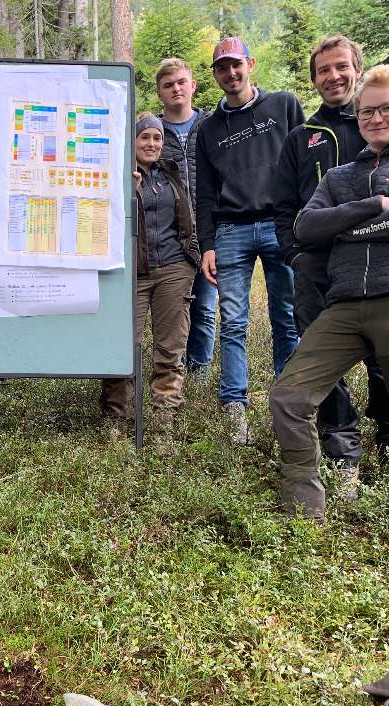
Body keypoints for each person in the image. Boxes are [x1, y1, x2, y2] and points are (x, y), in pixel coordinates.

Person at [269, 65, 389, 549]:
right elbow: (306, 229)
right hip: (345, 303)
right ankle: (304, 514)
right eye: (366, 110)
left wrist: (344, 229)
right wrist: (373, 207)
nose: (374, 117)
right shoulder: (338, 175)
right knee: (289, 396)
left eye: (385, 108)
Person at [274, 35, 389, 492]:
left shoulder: (382, 127)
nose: (333, 76)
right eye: (323, 70)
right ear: (314, 79)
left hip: (378, 269)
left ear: (357, 70)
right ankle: (343, 452)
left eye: (341, 67)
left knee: (386, 361)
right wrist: (296, 256)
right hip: (317, 273)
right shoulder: (302, 139)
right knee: (324, 367)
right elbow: (283, 208)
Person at [195, 37, 305, 444]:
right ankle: (234, 407)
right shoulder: (208, 130)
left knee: (287, 319)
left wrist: (305, 221)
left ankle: (288, 402)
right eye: (222, 68)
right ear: (215, 74)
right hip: (231, 231)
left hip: (282, 225)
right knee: (233, 322)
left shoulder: (284, 106)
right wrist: (207, 244)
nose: (231, 73)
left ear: (250, 64)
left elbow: (306, 163)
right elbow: (204, 193)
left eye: (236, 65)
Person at [100, 115, 199, 429]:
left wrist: (191, 258)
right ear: (133, 141)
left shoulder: (169, 174)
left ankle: (163, 420)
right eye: (145, 138)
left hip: (173, 269)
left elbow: (187, 219)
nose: (152, 144)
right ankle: (116, 418)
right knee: (122, 344)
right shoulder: (117, 174)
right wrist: (129, 191)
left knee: (170, 348)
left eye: (157, 138)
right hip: (133, 274)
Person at [155, 58, 216, 383]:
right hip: (170, 237)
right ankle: (173, 371)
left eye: (181, 82)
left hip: (208, 233)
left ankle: (200, 375)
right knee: (176, 309)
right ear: (160, 93)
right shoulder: (154, 132)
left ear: (192, 85)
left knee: (205, 308)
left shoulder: (210, 125)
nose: (176, 89)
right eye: (168, 85)